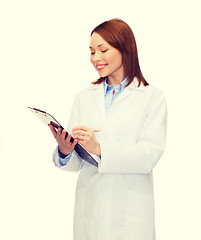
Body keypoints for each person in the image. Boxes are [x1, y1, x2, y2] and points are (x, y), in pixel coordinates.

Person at [49, 18, 167, 240]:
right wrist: (66, 151)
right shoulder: (84, 98)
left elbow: (148, 156)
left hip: (130, 214)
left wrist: (99, 147)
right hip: (90, 211)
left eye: (103, 50)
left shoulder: (152, 98)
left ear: (125, 49)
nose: (96, 58)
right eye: (92, 51)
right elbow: (79, 162)